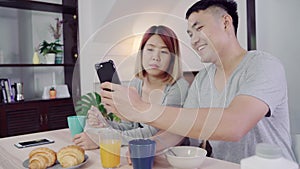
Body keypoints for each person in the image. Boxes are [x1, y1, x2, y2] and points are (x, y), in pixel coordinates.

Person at [99, 0, 296, 163]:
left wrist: (141, 108)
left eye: (198, 28)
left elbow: (235, 125)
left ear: (226, 23)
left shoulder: (263, 65)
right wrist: (150, 146)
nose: (193, 41)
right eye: (190, 34)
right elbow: (179, 128)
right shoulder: (203, 79)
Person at [73, 25, 190, 154]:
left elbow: (153, 132)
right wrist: (105, 122)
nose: (156, 57)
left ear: (173, 58)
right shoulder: (136, 82)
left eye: (164, 51)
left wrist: (104, 139)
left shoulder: (178, 86)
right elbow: (129, 125)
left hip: (171, 155)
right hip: (139, 150)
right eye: (150, 49)